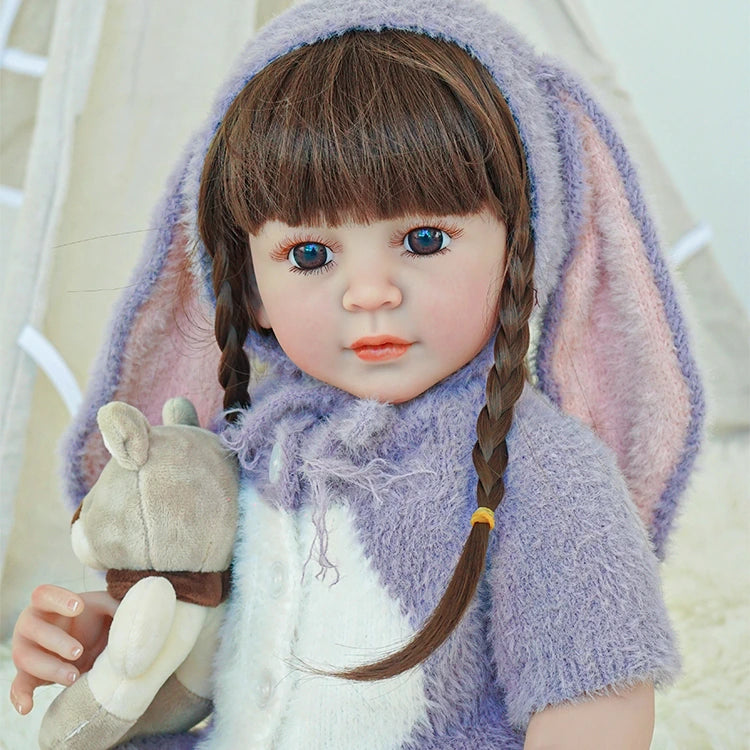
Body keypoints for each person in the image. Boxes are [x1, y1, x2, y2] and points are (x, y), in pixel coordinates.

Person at [9, 0, 704, 747]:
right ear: (245, 284)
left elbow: (593, 694)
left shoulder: (545, 473)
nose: (369, 292)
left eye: (425, 238)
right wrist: (106, 644)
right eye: (310, 255)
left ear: (522, 250)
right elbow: (209, 652)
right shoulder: (254, 453)